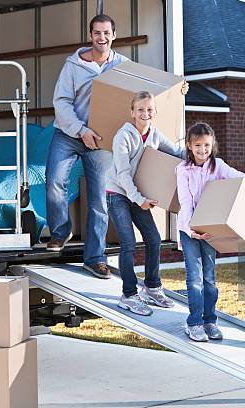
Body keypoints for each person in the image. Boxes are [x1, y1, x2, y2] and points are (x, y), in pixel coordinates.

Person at [46, 14, 188, 279]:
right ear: (90, 36)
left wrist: (178, 91)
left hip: (101, 140)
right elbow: (61, 102)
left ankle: (95, 258)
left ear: (114, 35)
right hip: (69, 133)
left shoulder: (123, 66)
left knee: (100, 199)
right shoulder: (73, 66)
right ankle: (60, 231)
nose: (102, 38)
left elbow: (149, 93)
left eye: (106, 33)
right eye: (97, 33)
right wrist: (80, 129)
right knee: (54, 180)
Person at [176, 122, 245, 342]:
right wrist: (192, 229)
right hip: (189, 229)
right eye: (198, 145)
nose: (202, 150)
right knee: (194, 279)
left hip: (210, 230)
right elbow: (185, 201)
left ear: (212, 145)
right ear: (190, 146)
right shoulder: (182, 170)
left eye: (207, 145)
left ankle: (210, 321)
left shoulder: (217, 166)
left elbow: (239, 177)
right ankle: (194, 323)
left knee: (209, 279)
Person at [105, 91, 185, 316]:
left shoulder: (155, 134)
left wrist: (198, 153)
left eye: (149, 109)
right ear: (132, 112)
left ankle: (151, 287)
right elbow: (122, 174)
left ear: (155, 112)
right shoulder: (124, 136)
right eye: (140, 109)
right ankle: (128, 295)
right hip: (118, 193)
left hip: (136, 194)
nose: (145, 113)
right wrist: (139, 199)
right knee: (128, 243)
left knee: (154, 239)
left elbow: (177, 151)